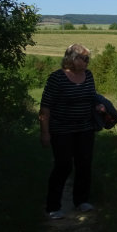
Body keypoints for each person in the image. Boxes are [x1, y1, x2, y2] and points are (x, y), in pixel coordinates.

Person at [39, 44, 104, 219]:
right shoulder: (57, 78)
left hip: (85, 128)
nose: (87, 62)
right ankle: (53, 206)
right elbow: (45, 107)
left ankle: (81, 201)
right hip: (61, 130)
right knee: (63, 166)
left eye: (88, 58)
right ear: (72, 59)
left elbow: (91, 97)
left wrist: (98, 106)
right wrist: (45, 133)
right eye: (85, 58)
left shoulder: (88, 76)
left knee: (84, 164)